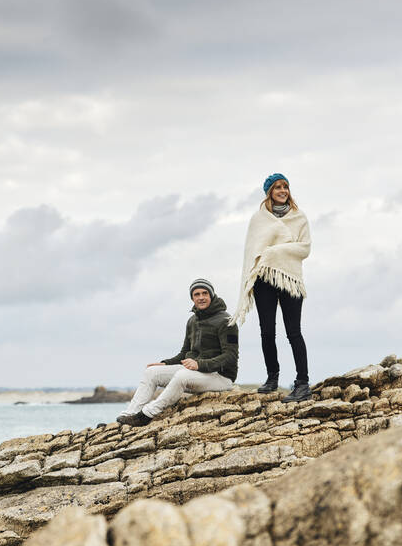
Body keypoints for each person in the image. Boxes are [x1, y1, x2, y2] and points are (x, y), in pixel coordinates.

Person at [230, 173, 312, 402]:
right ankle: (272, 378)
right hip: (264, 279)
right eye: (277, 187)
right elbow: (250, 253)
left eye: (285, 186)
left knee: (293, 332)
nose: (283, 191)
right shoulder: (258, 220)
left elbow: (304, 248)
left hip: (290, 279)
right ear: (269, 192)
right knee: (267, 331)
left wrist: (274, 252)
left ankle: (303, 384)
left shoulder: (299, 217)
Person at [117, 278, 238, 427]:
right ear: (192, 298)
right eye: (196, 294)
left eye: (205, 293)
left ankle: (147, 414)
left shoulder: (227, 320)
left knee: (182, 375)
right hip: (197, 373)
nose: (201, 297)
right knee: (152, 372)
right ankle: (129, 415)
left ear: (211, 295)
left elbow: (230, 356)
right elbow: (185, 353)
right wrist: (165, 363)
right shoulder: (192, 321)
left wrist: (199, 364)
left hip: (221, 377)